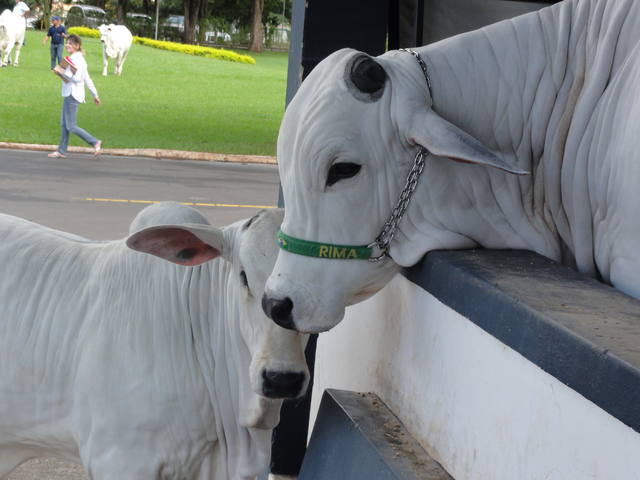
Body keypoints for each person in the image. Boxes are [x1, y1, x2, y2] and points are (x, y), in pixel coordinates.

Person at [48, 35, 102, 159]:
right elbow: (88, 79)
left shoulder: (76, 60)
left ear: (77, 46)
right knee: (64, 124)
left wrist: (60, 73)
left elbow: (77, 78)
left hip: (73, 94)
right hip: (71, 93)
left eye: (71, 44)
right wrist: (95, 95)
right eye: (67, 43)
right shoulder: (77, 59)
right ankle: (62, 151)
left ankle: (94, 142)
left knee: (71, 126)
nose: (68, 45)